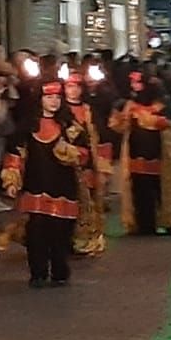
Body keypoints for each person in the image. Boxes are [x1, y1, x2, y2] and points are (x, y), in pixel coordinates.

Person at [2, 80, 87, 288]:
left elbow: (85, 153)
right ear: (40, 100)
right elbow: (15, 155)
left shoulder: (70, 126)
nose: (54, 102)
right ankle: (38, 272)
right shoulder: (28, 126)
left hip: (64, 185)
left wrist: (72, 154)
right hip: (35, 184)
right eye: (49, 97)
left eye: (57, 97)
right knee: (37, 230)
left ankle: (59, 270)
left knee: (61, 230)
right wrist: (11, 180)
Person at [112, 72, 171, 236]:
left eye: (137, 83)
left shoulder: (161, 106)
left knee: (161, 189)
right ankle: (143, 225)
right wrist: (120, 115)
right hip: (135, 156)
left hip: (157, 155)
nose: (134, 87)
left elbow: (165, 124)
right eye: (132, 83)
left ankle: (169, 222)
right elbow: (118, 126)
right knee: (139, 190)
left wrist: (145, 117)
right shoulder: (130, 106)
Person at [66, 72, 109, 257]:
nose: (73, 90)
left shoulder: (88, 110)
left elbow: (98, 137)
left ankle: (83, 238)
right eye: (69, 86)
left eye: (76, 86)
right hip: (66, 163)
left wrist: (101, 164)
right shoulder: (59, 110)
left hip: (86, 163)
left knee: (87, 202)